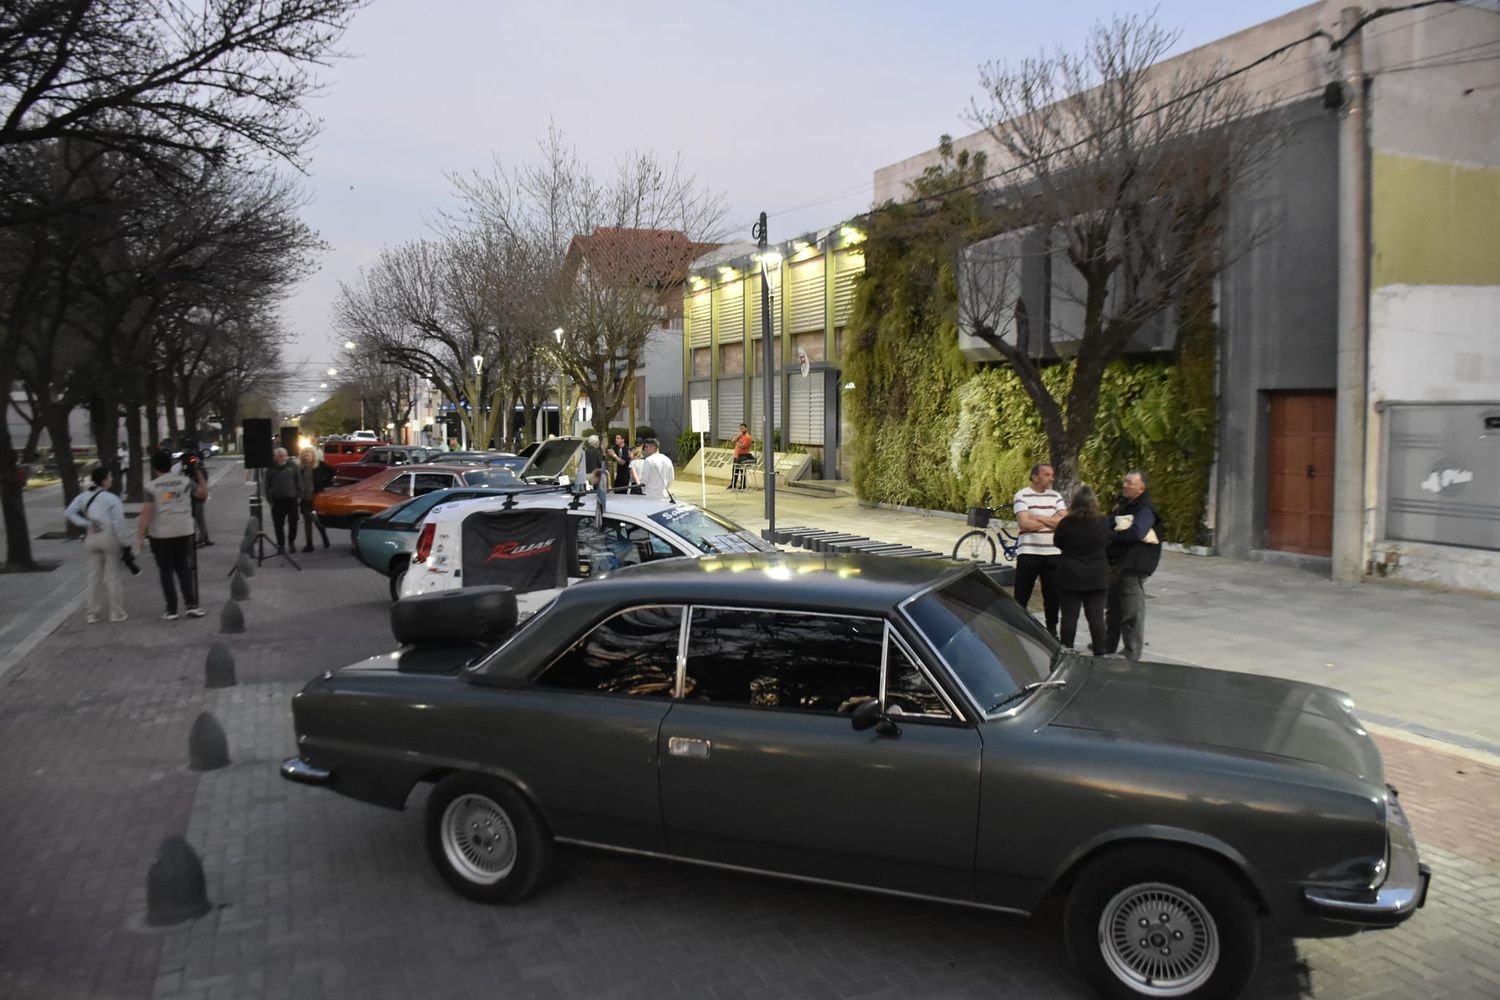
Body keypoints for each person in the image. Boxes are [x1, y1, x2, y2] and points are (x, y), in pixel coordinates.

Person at [137, 450, 207, 620]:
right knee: (183, 568)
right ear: (170, 465)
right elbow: (203, 494)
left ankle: (172, 609)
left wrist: (139, 536)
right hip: (184, 531)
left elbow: (146, 513)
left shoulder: (151, 487)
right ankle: (191, 605)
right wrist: (198, 472)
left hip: (161, 534)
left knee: (166, 571)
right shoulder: (184, 481)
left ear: (154, 468)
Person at [1105, 468, 1164, 660]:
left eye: (1130, 483)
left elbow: (1136, 533)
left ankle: (1131, 651)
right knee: (1113, 608)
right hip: (1117, 564)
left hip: (1134, 565)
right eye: (1125, 481)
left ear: (1141, 488)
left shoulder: (1145, 510)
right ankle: (1107, 646)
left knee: (1131, 609)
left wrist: (1112, 535)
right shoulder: (1124, 506)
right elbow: (1109, 522)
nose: (1125, 485)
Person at [65, 467, 135, 624]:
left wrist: (86, 523)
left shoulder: (83, 496)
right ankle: (116, 613)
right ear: (104, 480)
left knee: (93, 577)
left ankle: (92, 614)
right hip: (108, 537)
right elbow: (119, 524)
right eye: (110, 477)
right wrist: (126, 544)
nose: (111, 479)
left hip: (91, 537)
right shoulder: (112, 499)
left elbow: (69, 512)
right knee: (113, 576)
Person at [1053, 486, 1112, 656]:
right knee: (1096, 616)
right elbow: (1108, 542)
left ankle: (1067, 648)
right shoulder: (1102, 522)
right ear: (1094, 503)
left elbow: (1058, 542)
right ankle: (1100, 650)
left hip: (1071, 574)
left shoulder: (1066, 523)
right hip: (1097, 574)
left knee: (1069, 616)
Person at [1012, 463, 1066, 636]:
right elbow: (1024, 524)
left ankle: (1051, 630)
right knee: (1021, 595)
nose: (1051, 478)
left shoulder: (1056, 496)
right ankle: (1018, 629)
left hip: (1053, 554)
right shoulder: (1022, 495)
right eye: (1047, 474)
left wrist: (1037, 517)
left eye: (1052, 474)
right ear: (1035, 477)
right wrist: (1052, 520)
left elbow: (1064, 522)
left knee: (1053, 597)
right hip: (1029, 554)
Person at [262, 447, 303, 553]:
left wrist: (298, 495)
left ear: (286, 455)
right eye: (279, 456)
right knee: (278, 524)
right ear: (275, 457)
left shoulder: (293, 466)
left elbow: (298, 481)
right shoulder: (270, 468)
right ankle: (281, 545)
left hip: (291, 499)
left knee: (293, 522)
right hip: (277, 501)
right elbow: (267, 485)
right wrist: (269, 500)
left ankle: (291, 542)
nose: (281, 457)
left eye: (283, 455)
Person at [299, 447, 332, 551]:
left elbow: (332, 472)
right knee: (307, 520)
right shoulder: (300, 468)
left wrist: (325, 483)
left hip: (317, 496)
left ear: (313, 455)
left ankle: (324, 536)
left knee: (317, 520)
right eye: (304, 455)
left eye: (308, 455)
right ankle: (309, 544)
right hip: (305, 498)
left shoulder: (320, 465)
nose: (306, 457)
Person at [729, 423, 755, 491]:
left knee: (742, 471)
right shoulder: (739, 435)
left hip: (743, 456)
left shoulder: (747, 437)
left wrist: (737, 442)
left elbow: (742, 446)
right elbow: (732, 440)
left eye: (742, 428)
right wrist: (738, 437)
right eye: (740, 428)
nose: (741, 430)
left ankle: (743, 485)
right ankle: (733, 484)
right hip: (736, 456)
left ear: (746, 428)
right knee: (734, 470)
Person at [582, 434, 607, 504]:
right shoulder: (597, 452)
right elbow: (601, 464)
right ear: (596, 443)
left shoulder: (585, 452)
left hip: (586, 476)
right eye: (598, 442)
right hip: (595, 476)